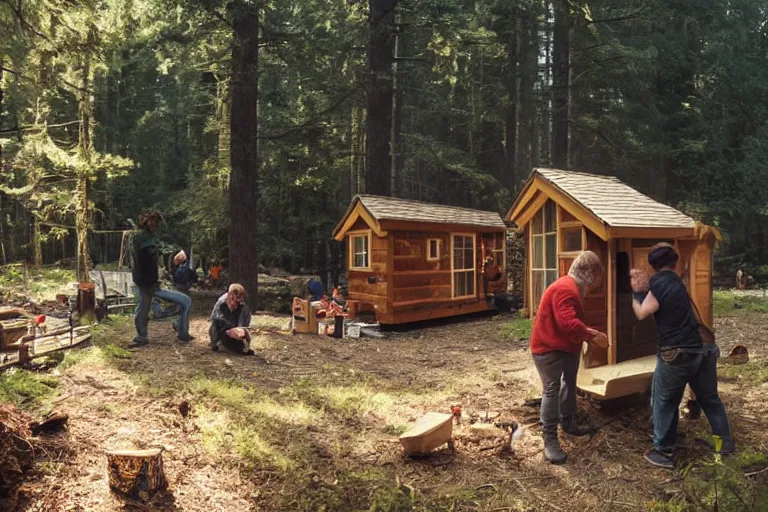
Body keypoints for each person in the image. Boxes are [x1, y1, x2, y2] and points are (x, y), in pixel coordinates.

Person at [630, 243, 734, 469]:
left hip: (676, 352)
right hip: (701, 349)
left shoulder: (659, 282)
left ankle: (664, 452)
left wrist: (638, 290)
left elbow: (642, 312)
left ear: (652, 266)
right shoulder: (678, 281)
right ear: (675, 263)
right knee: (710, 399)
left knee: (664, 401)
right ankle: (725, 446)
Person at [530, 250, 607, 464]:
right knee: (552, 389)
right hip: (547, 348)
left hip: (566, 346)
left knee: (570, 383)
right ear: (589, 274)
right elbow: (568, 323)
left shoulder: (572, 287)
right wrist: (592, 336)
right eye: (597, 277)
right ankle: (550, 439)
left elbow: (569, 325)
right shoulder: (566, 289)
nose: (596, 284)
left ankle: (569, 422)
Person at [130, 210, 193, 348]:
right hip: (145, 283)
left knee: (185, 301)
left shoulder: (154, 238)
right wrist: (144, 281)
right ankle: (142, 337)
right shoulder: (140, 239)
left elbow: (165, 249)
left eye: (155, 222)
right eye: (150, 222)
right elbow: (141, 261)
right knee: (143, 309)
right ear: (145, 223)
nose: (153, 225)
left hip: (155, 283)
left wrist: (178, 252)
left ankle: (183, 333)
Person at [209, 283, 253, 354]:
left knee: (239, 347)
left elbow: (245, 321)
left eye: (241, 297)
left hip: (235, 330)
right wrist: (228, 327)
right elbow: (215, 317)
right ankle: (216, 342)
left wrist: (240, 330)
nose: (240, 300)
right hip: (223, 328)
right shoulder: (222, 302)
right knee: (215, 326)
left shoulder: (242, 305)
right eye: (238, 297)